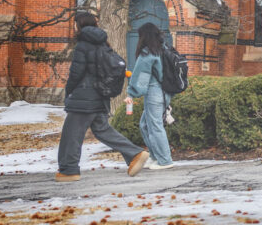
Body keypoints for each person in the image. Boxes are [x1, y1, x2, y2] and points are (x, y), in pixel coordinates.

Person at [56, 12, 149, 182]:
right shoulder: (103, 44)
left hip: (83, 98)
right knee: (102, 130)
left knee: (71, 135)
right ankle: (135, 153)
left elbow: (76, 74)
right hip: (99, 96)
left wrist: (69, 91)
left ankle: (69, 170)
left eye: (75, 23)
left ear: (79, 25)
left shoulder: (83, 45)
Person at [124, 23, 175, 170]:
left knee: (155, 126)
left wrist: (131, 93)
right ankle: (156, 156)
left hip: (154, 94)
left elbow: (141, 76)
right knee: (145, 125)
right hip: (165, 93)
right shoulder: (163, 49)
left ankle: (165, 160)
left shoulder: (148, 53)